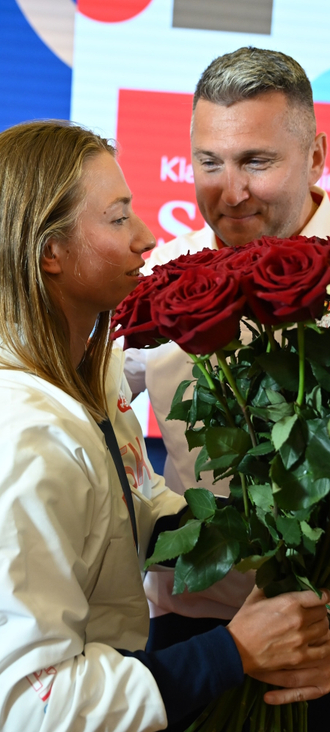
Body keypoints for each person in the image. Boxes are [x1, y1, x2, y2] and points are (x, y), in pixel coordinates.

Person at [0, 121, 330, 732]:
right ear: (49, 253)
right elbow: (32, 707)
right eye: (117, 218)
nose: (146, 237)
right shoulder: (21, 442)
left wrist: (261, 535)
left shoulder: (90, 368)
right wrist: (232, 652)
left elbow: (131, 506)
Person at [123, 47, 330, 635]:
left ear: (315, 157)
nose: (230, 192)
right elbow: (78, 400)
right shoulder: (158, 278)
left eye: (256, 162)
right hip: (190, 631)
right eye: (209, 163)